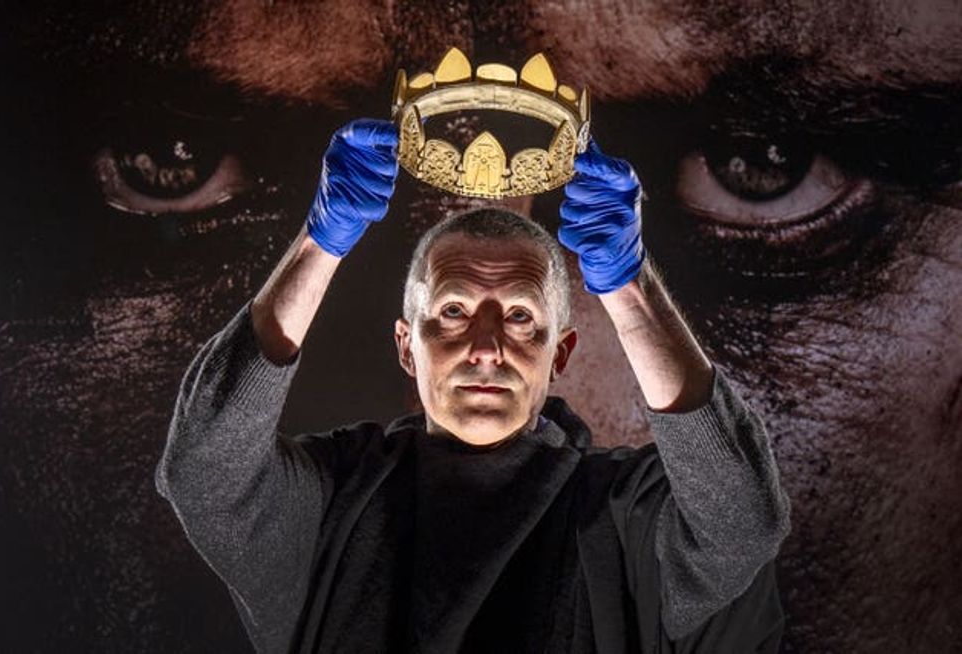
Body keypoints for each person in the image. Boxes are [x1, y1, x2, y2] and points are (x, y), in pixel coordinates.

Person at [155, 118, 791, 652]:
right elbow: (205, 472)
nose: (486, 347)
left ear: (559, 354)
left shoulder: (623, 512)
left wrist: (628, 282)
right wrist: (318, 242)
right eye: (454, 311)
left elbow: (741, 523)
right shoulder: (332, 501)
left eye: (520, 317)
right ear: (407, 347)